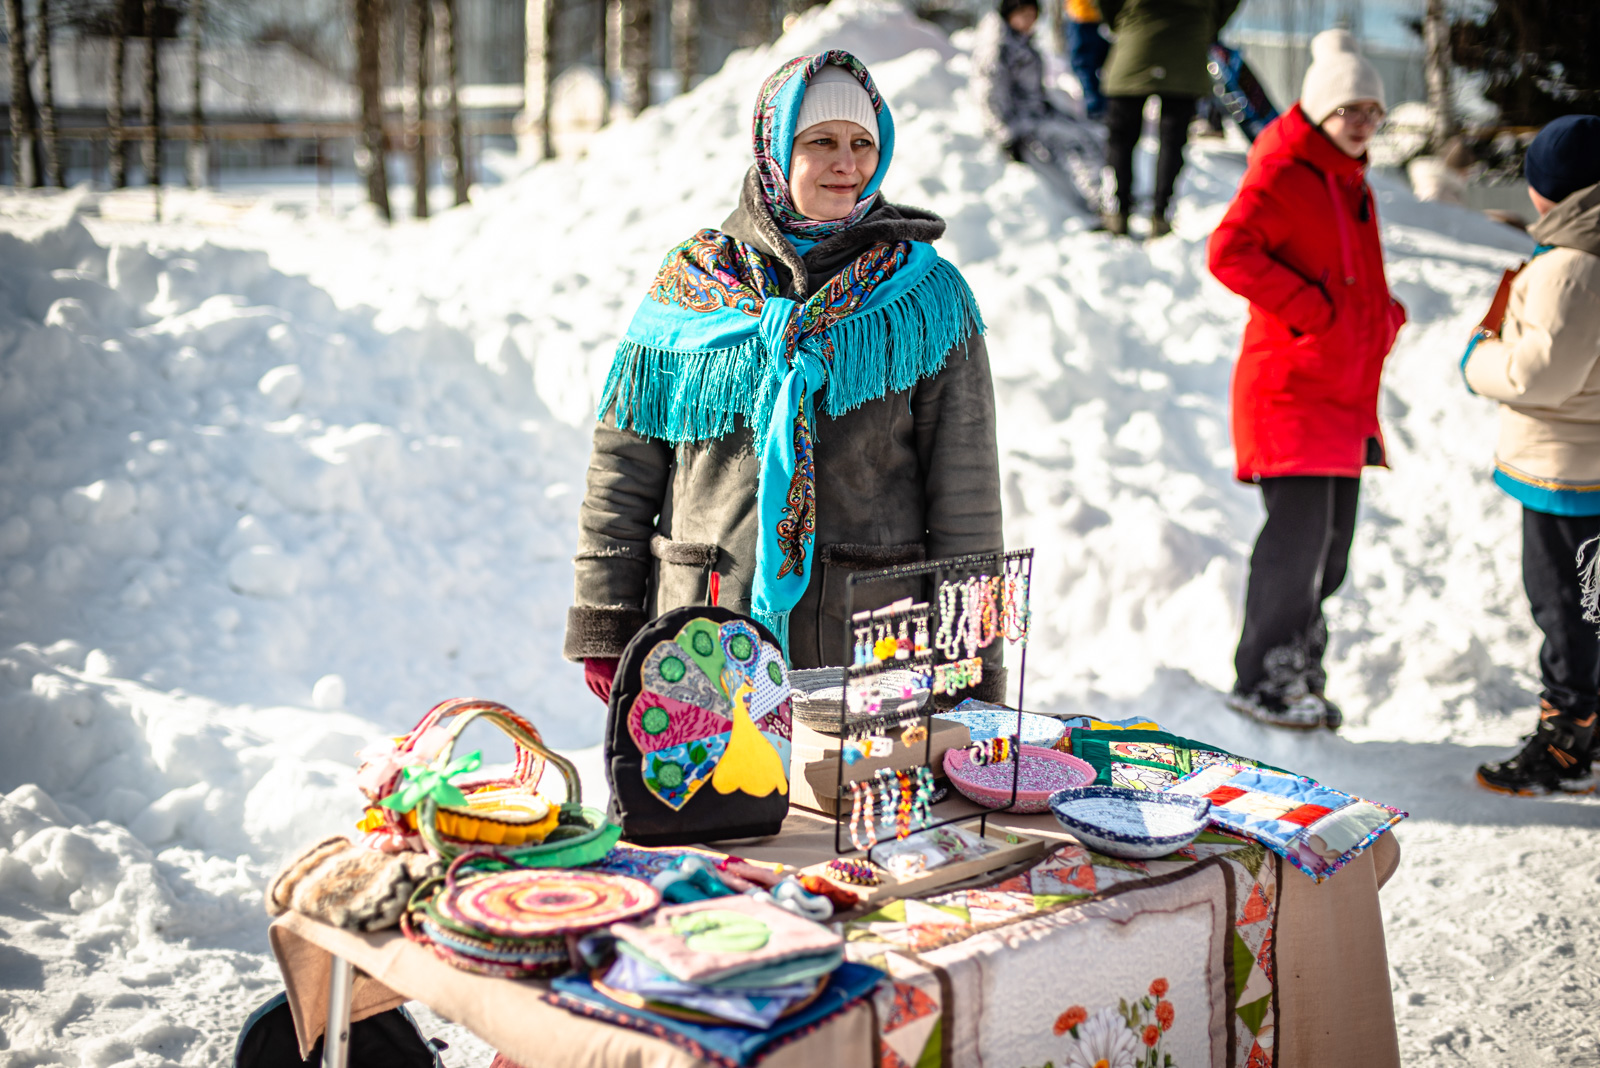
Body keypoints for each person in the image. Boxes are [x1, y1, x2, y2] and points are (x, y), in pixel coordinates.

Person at [563, 51, 1005, 707]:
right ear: (774, 147)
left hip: (868, 645)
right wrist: (605, 619)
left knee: (844, 810)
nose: (846, 164)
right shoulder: (693, 287)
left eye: (862, 144)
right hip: (704, 631)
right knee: (713, 806)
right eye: (820, 141)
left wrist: (973, 657)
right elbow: (625, 463)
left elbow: (965, 492)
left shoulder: (924, 300)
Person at [1207, 29, 1406, 730]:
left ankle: (1300, 666)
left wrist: (1380, 317)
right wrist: (1313, 312)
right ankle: (1263, 677)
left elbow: (1347, 273)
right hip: (1289, 393)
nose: (1363, 123)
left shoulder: (1351, 182)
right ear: (1320, 110)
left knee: (1333, 550)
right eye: (1351, 109)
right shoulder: (1288, 170)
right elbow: (1228, 251)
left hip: (1342, 397)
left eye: (1373, 112)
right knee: (1296, 546)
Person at [1465, 115, 1600, 795]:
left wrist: (1477, 355)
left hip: (1564, 468)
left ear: (1550, 190)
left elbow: (1537, 375)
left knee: (1566, 607)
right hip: (1584, 463)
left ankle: (1568, 744)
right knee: (1586, 605)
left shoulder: (1571, 266)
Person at [1099, 0, 1239, 237]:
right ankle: (1161, 214)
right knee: (1173, 139)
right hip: (1188, 43)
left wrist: (1120, 21)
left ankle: (1119, 211)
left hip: (1136, 38)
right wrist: (1208, 25)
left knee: (1122, 136)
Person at [973, 0, 1109, 214]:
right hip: (1020, 122)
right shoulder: (999, 48)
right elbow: (990, 94)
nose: (1029, 20)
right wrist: (1007, 134)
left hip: (1038, 113)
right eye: (1023, 14)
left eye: (1032, 14)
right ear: (1009, 14)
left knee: (1095, 136)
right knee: (1077, 145)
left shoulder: (1021, 42)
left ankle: (1107, 196)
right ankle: (1098, 206)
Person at [1066, 0, 1111, 120]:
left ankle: (1096, 108)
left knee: (1084, 66)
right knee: (1093, 65)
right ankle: (1101, 105)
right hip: (1094, 17)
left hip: (1083, 17)